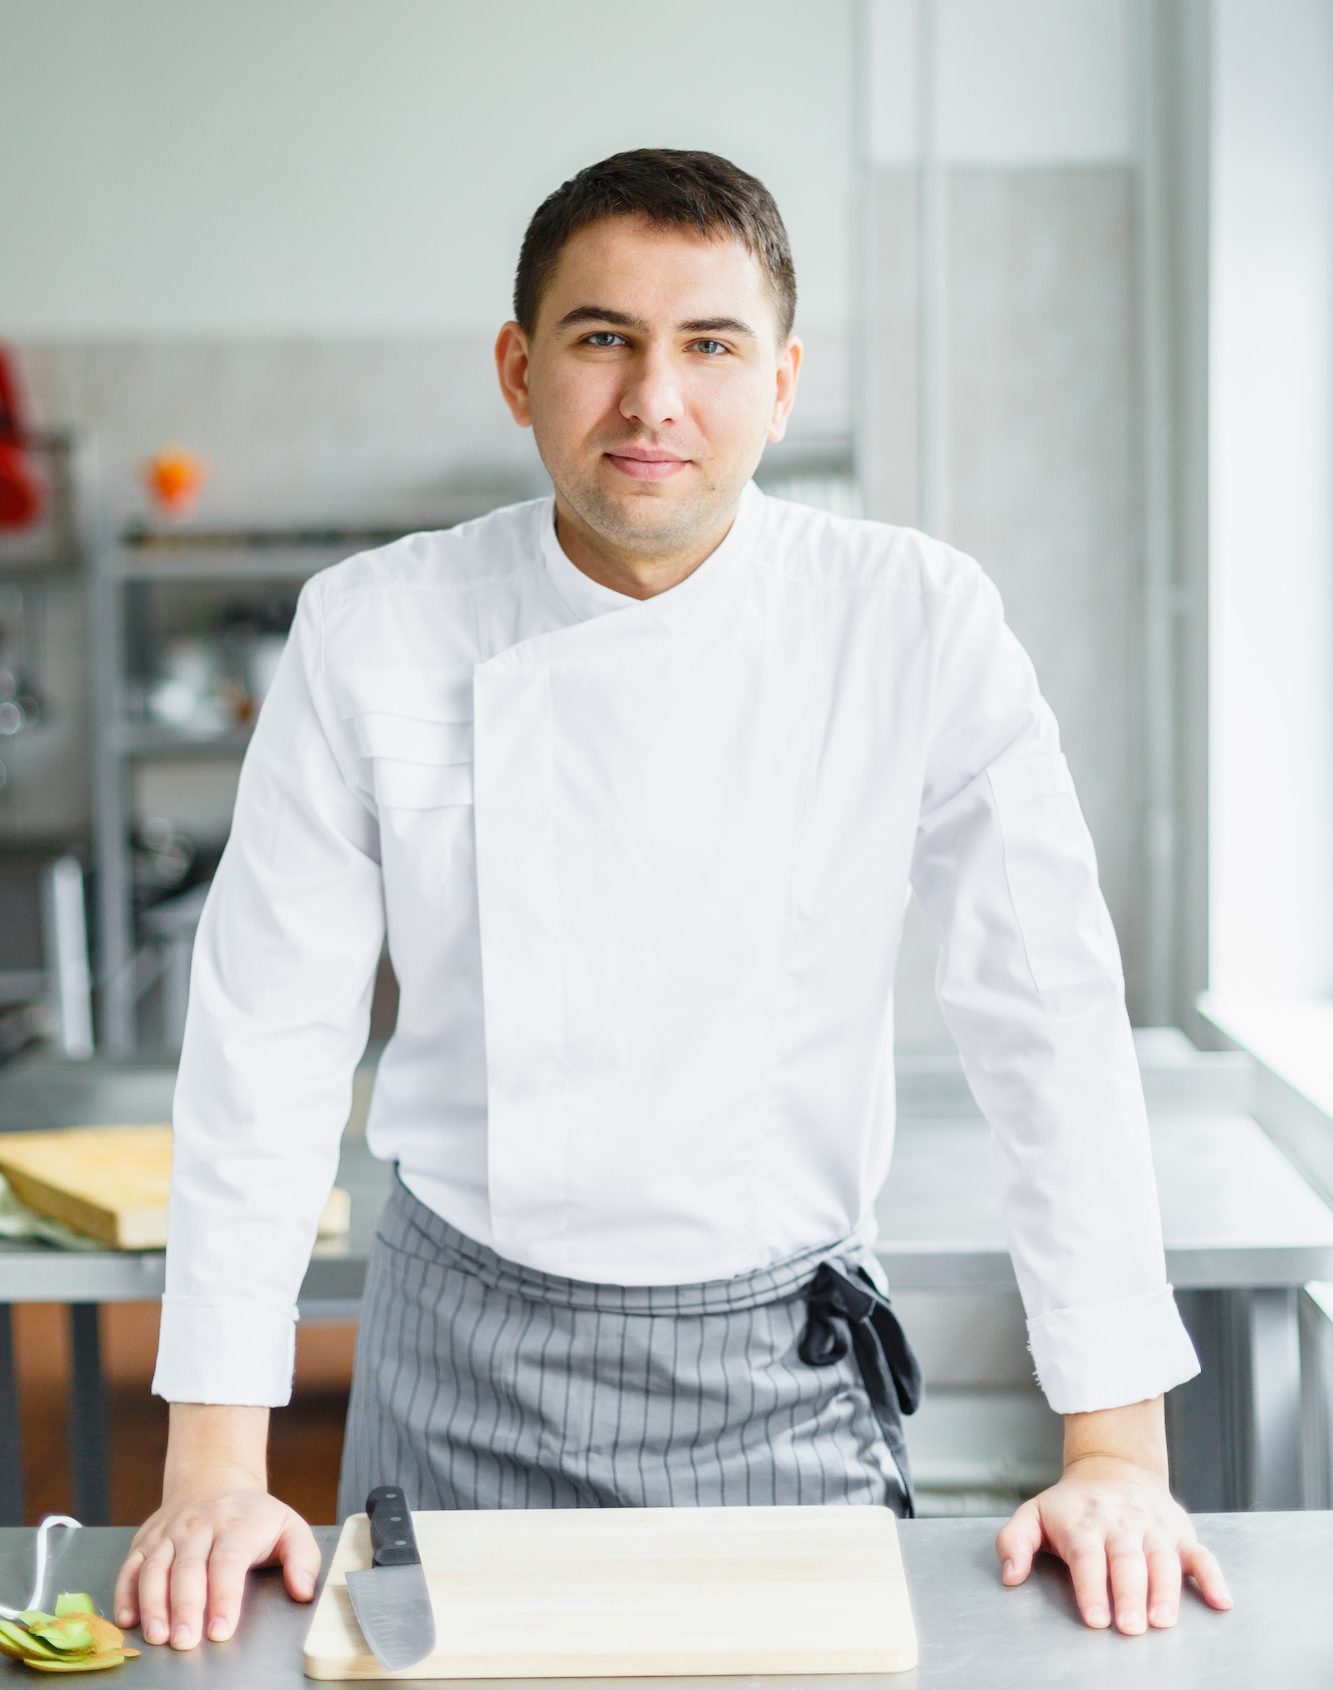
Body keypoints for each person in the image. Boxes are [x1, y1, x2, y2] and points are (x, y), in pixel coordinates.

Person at [114, 147, 1232, 1653]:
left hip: (777, 1376)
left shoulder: (911, 620)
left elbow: (1046, 1020)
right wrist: (211, 1469)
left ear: (778, 382)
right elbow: (266, 1044)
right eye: (601, 339)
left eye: (707, 345)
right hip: (463, 1368)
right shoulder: (372, 631)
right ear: (518, 371)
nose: (653, 398)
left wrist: (1114, 1454)